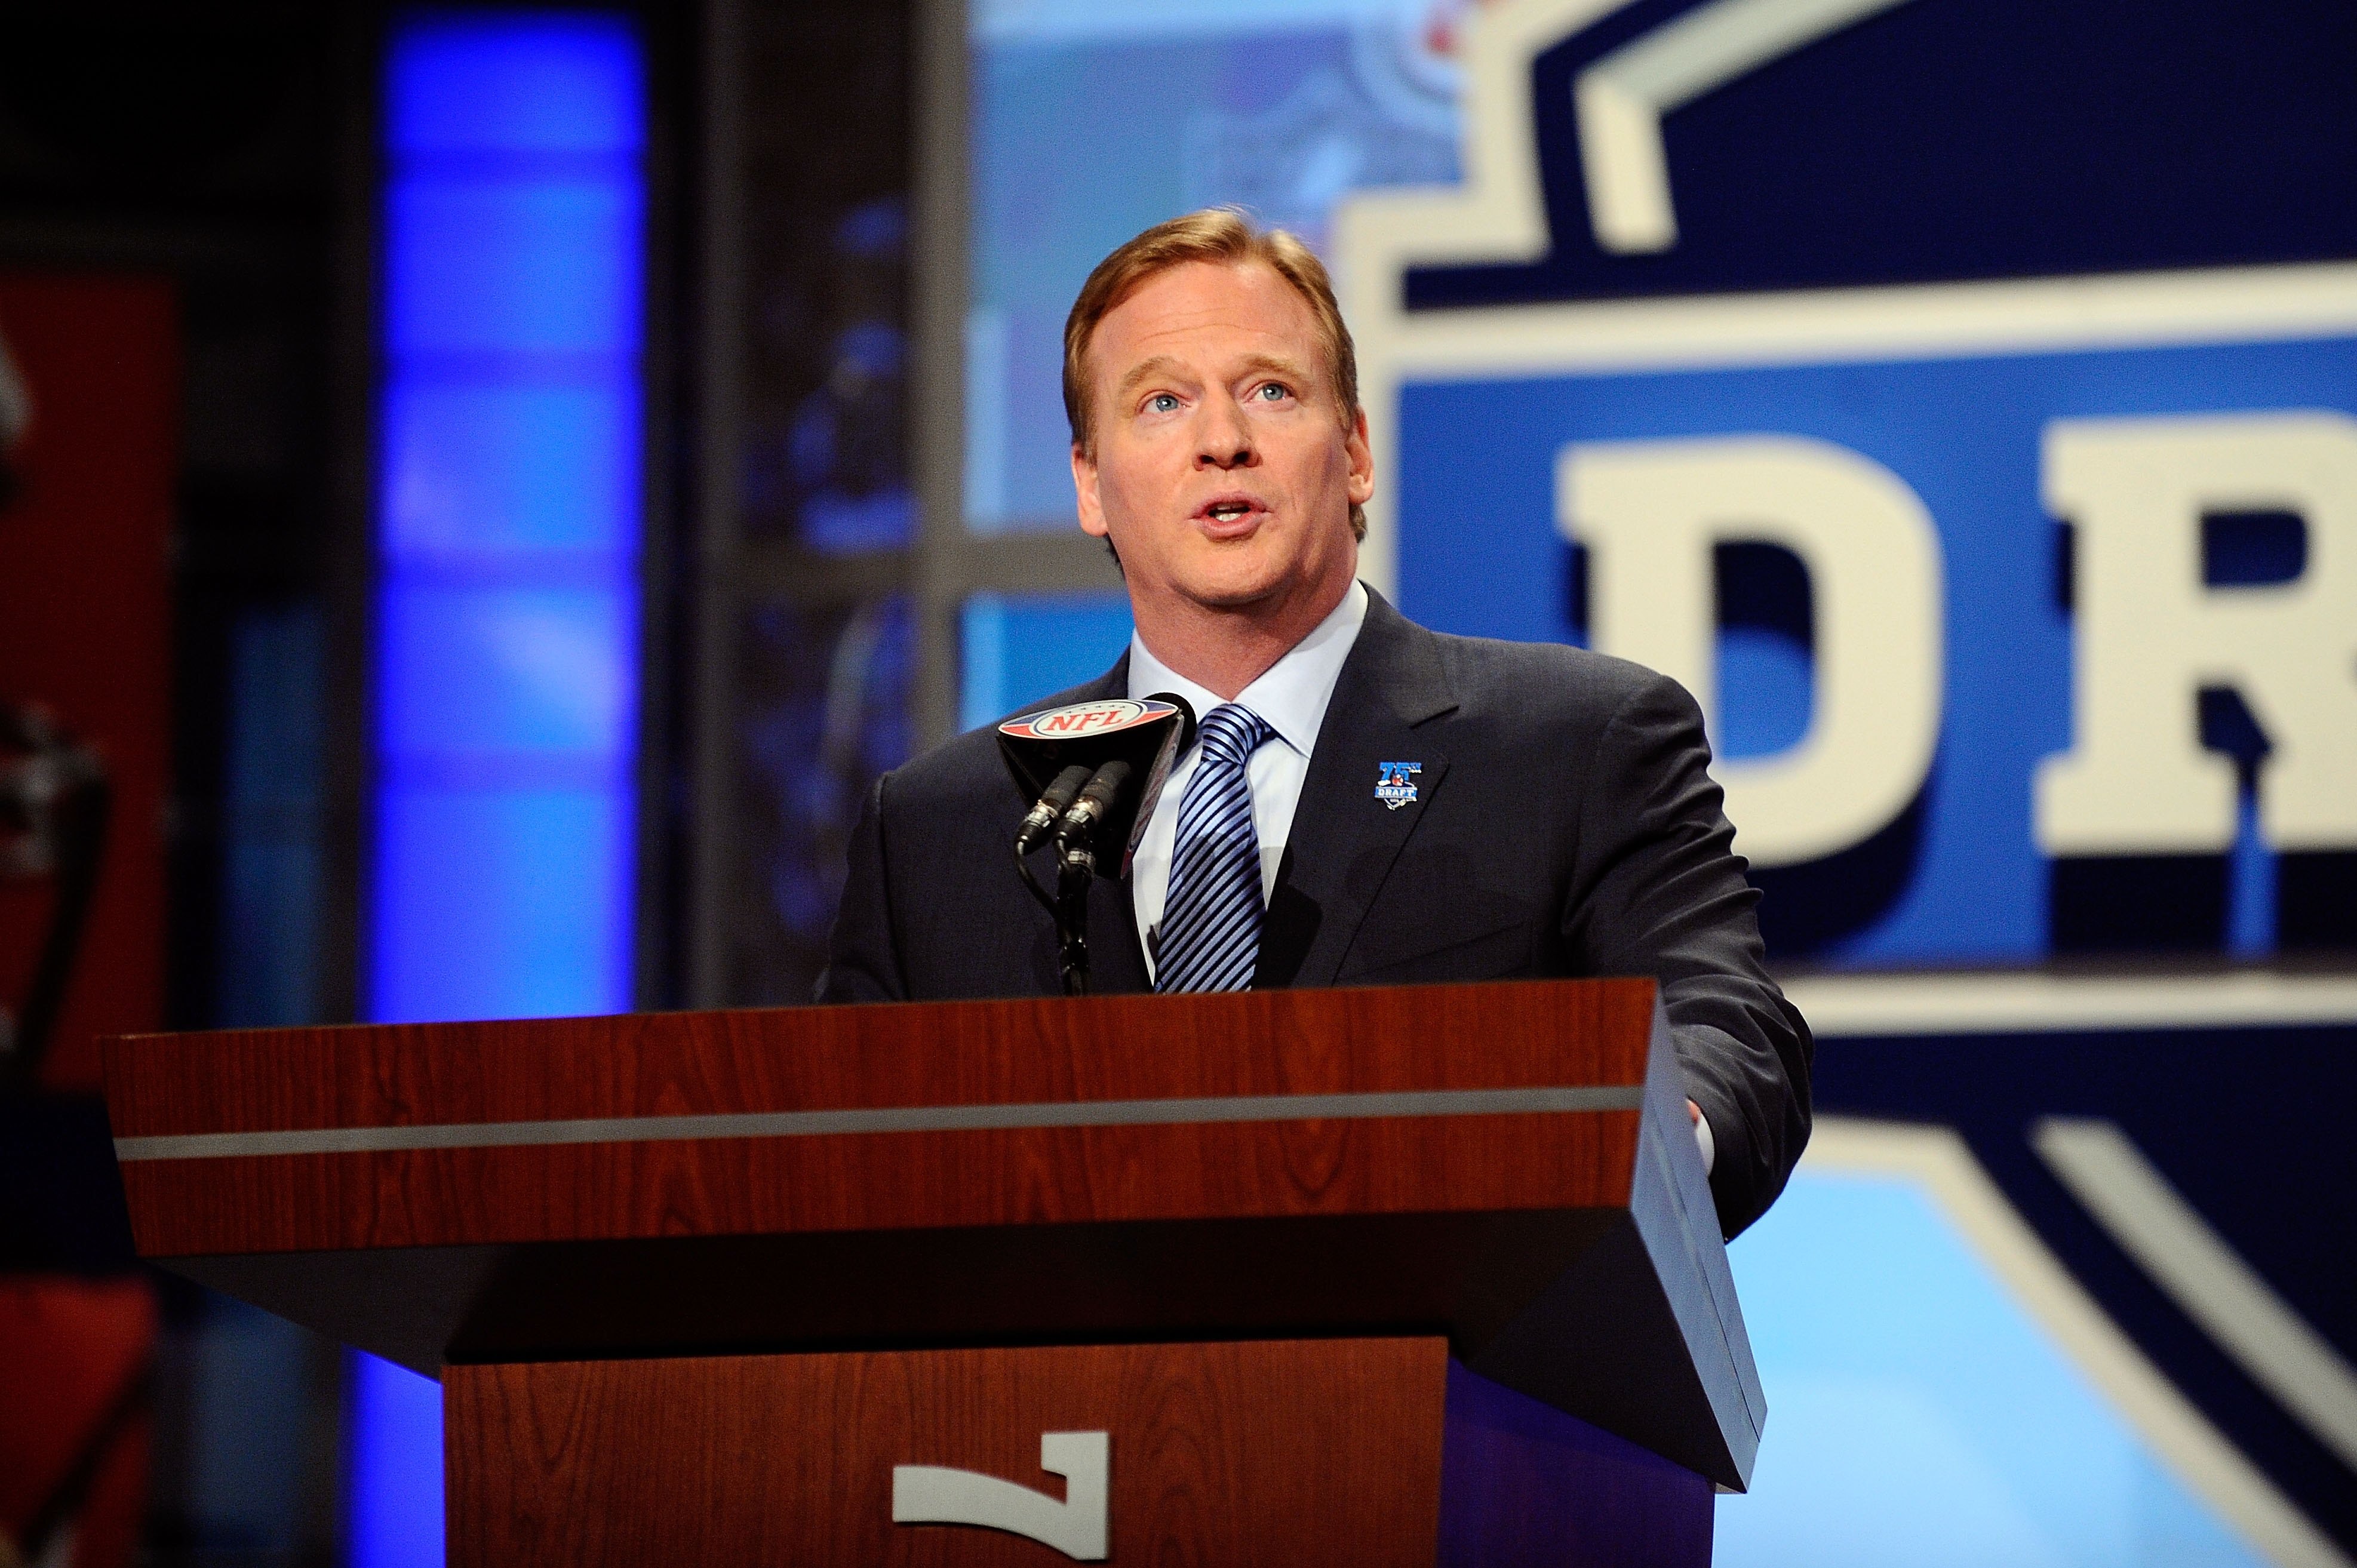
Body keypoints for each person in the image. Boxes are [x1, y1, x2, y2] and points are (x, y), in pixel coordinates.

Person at [819, 210, 1810, 1238]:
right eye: (1162, 402)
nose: (1222, 441)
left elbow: (1726, 1029)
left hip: (1462, 1386)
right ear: (1089, 483)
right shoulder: (943, 827)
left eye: (1270, 391)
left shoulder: (1578, 744)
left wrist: (1636, 1154)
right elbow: (831, 1167)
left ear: (1355, 453)